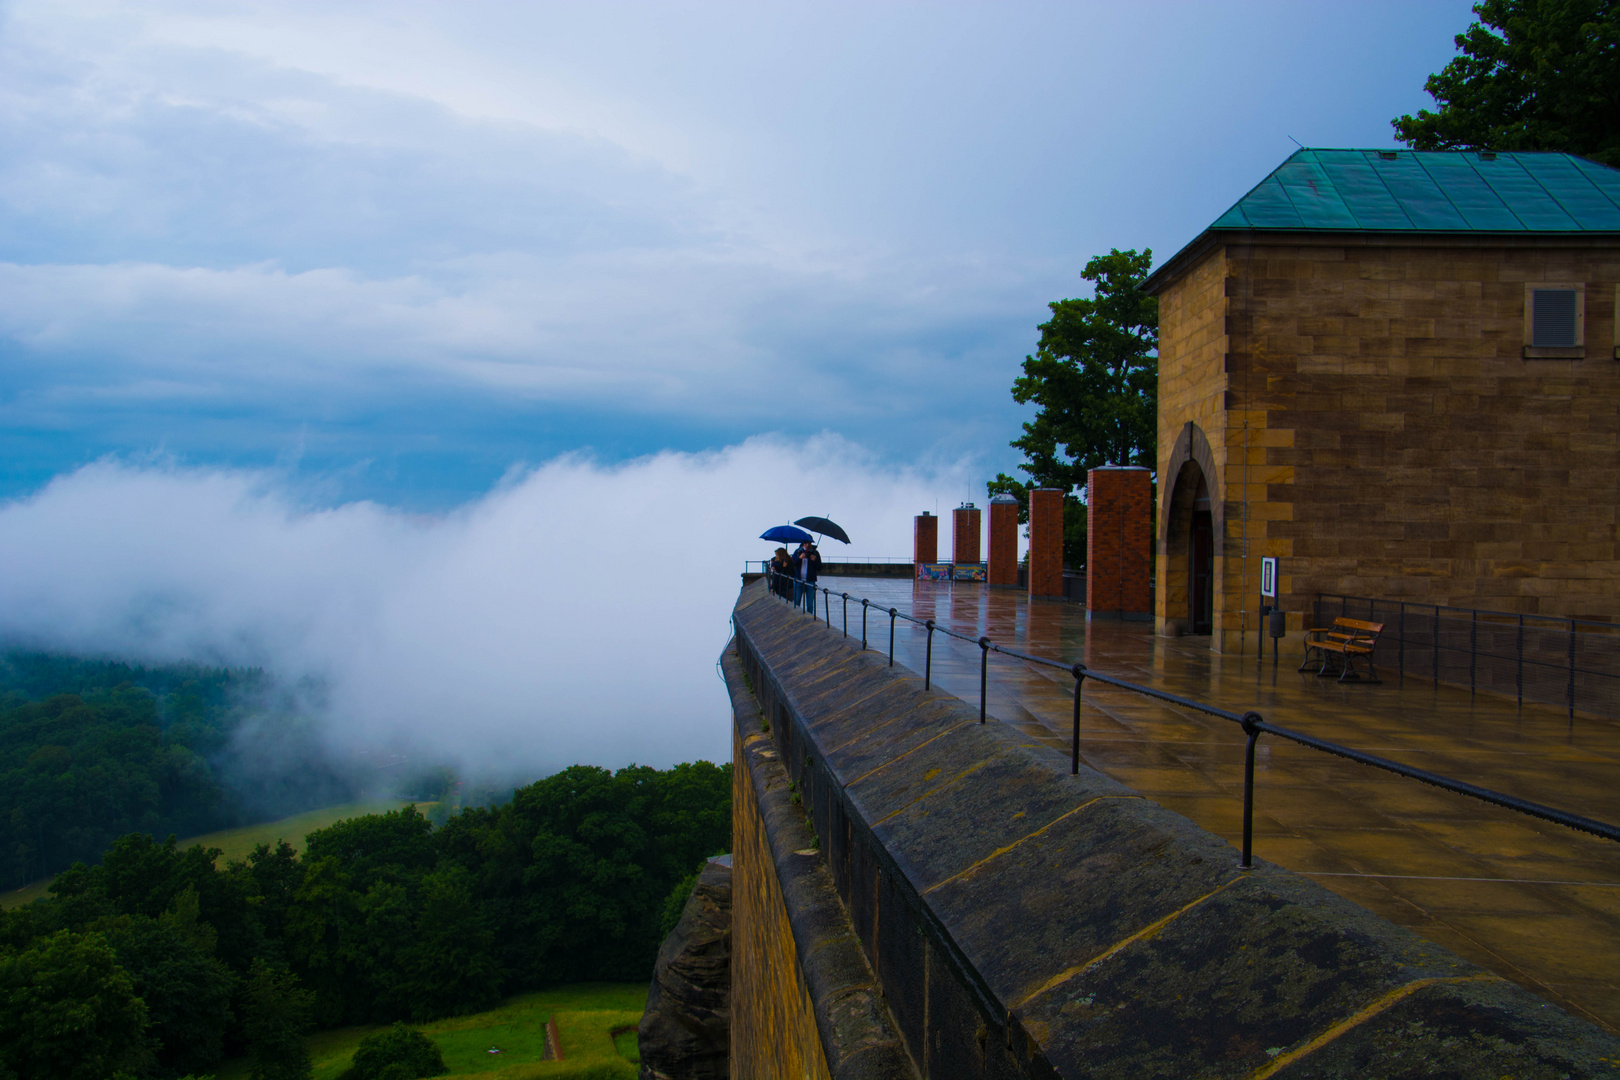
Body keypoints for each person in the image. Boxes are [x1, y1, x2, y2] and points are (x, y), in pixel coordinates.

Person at [795, 540, 821, 614]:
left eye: (809, 543)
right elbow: (794, 563)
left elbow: (819, 567)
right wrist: (799, 558)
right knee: (796, 601)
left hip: (810, 581)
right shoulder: (798, 551)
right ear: (803, 543)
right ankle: (796, 616)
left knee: (810, 604)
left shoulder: (815, 553)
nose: (808, 544)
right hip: (799, 580)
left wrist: (815, 560)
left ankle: (809, 618)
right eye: (806, 543)